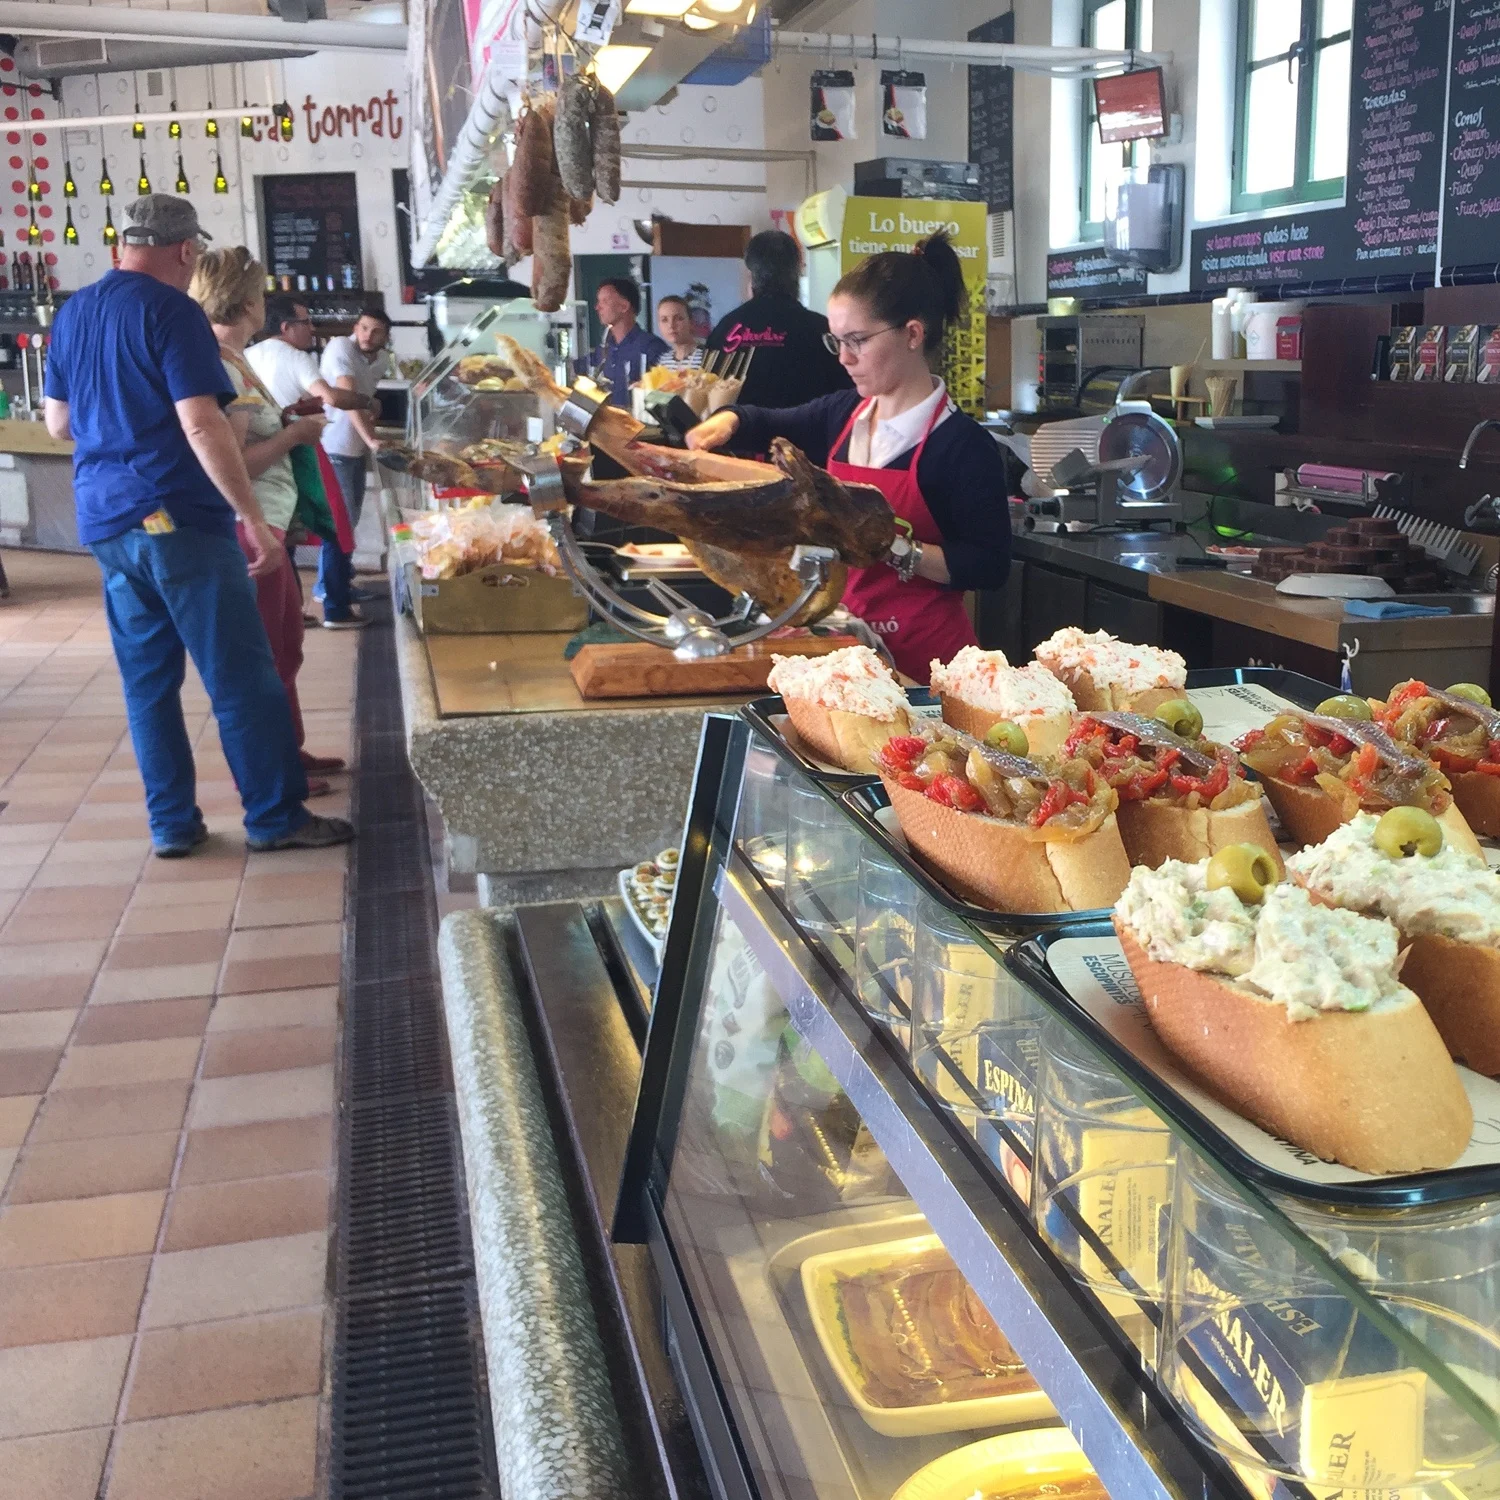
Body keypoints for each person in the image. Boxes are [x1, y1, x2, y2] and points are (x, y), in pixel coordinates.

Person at [42, 194, 353, 855]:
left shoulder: (74, 311)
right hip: (180, 520)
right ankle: (275, 818)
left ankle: (173, 826)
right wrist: (253, 520)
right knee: (242, 675)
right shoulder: (171, 311)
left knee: (149, 684)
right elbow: (202, 422)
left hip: (106, 523)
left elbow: (60, 424)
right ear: (186, 251)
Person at [687, 232, 1009, 683]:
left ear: (912, 333)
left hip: (930, 663)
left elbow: (989, 564)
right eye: (836, 341)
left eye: (856, 340)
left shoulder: (961, 445)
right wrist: (729, 421)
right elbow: (768, 418)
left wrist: (891, 546)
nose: (843, 358)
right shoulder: (842, 414)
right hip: (849, 646)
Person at [190, 248, 348, 795]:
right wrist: (292, 436)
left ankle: (291, 749)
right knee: (267, 652)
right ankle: (277, 772)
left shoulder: (238, 356)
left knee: (286, 642)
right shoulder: (218, 359)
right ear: (248, 300)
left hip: (270, 519)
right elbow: (229, 460)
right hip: (252, 525)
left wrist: (284, 423)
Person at [702, 229, 851, 410]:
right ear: (798, 268)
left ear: (750, 272)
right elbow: (846, 399)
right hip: (807, 436)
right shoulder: (823, 331)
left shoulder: (725, 329)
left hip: (737, 434)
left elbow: (706, 393)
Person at [315, 306, 390, 628]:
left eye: (374, 330)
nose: (366, 335)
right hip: (336, 449)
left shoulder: (380, 359)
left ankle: (341, 586)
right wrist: (372, 440)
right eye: (362, 327)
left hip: (354, 450)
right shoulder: (340, 348)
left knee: (349, 523)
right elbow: (346, 399)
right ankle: (333, 604)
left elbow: (365, 400)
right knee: (339, 527)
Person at [591, 276, 668, 406]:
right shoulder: (604, 350)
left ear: (624, 306)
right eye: (598, 301)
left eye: (605, 301)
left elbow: (667, 394)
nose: (597, 307)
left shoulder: (652, 348)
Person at [655, 295, 703, 371]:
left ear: (691, 322)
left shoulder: (705, 357)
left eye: (678, 319)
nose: (671, 325)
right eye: (664, 320)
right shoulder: (663, 361)